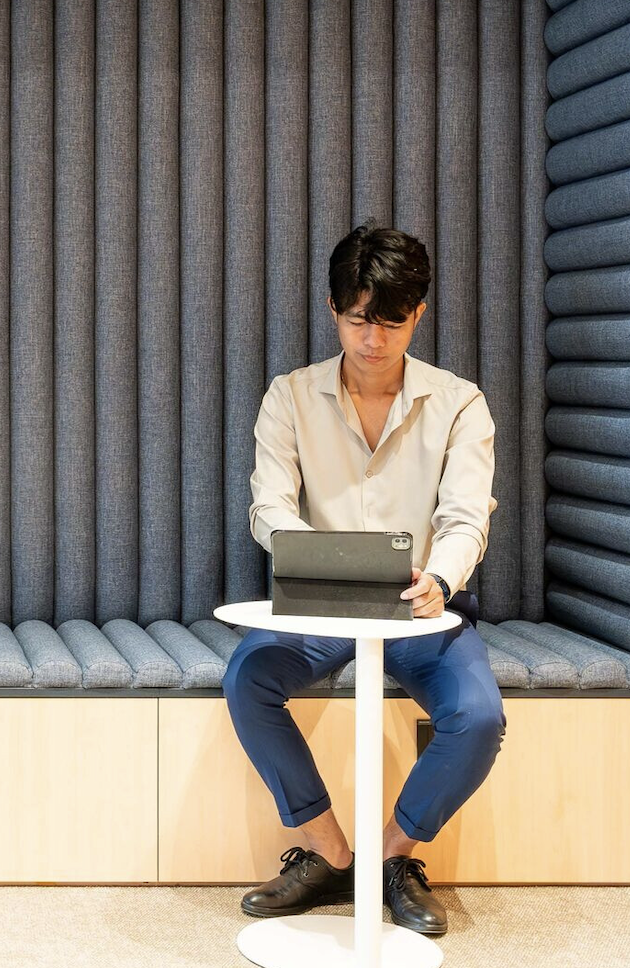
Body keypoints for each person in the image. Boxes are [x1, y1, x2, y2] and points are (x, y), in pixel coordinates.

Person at [220, 223, 505, 938]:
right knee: (247, 680)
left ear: (419, 315)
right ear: (332, 308)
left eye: (390, 322)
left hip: (420, 608)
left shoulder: (460, 403)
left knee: (478, 718)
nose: (372, 340)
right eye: (357, 319)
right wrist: (313, 557)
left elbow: (468, 517)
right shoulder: (288, 396)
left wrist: (439, 577)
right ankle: (329, 856)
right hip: (320, 603)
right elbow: (269, 506)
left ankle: (391, 859)